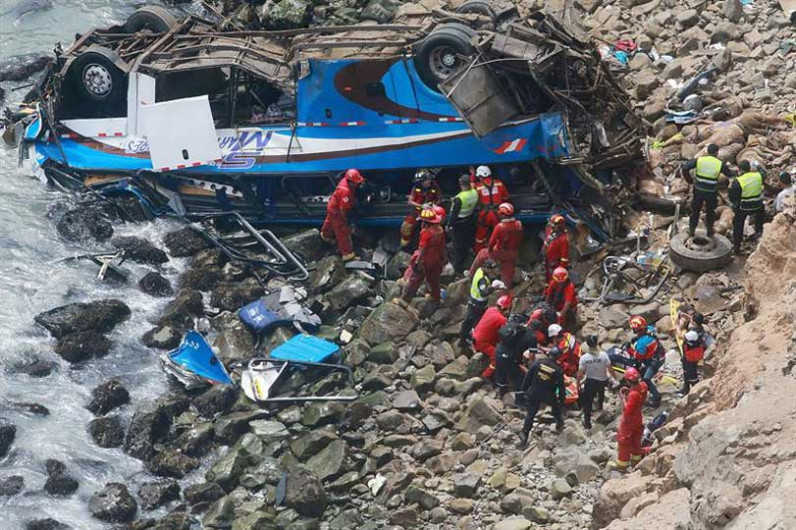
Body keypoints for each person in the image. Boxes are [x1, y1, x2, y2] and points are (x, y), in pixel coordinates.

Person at [681, 144, 735, 237]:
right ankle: (709, 231)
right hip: (711, 192)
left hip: (698, 190)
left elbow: (685, 168)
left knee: (695, 211)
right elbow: (729, 175)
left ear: (707, 152)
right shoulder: (720, 163)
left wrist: (689, 180)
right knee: (710, 211)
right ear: (716, 152)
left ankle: (691, 230)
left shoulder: (699, 160)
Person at [517, 347, 566, 448]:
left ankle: (524, 434)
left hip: (534, 392)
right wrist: (562, 400)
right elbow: (561, 387)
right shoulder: (558, 370)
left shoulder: (538, 363)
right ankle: (559, 423)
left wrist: (523, 390)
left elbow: (528, 377)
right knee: (555, 408)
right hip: (548, 394)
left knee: (530, 414)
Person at [399, 208, 448, 304]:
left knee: (414, 281)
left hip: (425, 262)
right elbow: (442, 246)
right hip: (436, 260)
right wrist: (443, 258)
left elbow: (422, 249)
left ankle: (404, 301)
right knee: (434, 280)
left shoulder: (426, 233)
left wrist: (417, 262)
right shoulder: (439, 230)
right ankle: (436, 297)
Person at [470, 202, 523, 287]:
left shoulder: (500, 227)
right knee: (507, 272)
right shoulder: (519, 225)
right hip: (513, 252)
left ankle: (471, 275)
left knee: (482, 254)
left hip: (500, 251)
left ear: (502, 214)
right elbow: (520, 239)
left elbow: (491, 243)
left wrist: (490, 252)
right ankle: (505, 289)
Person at [458, 259, 504, 347]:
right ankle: (473, 342)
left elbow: (489, 277)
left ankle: (465, 338)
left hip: (474, 301)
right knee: (477, 323)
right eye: (491, 269)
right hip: (477, 304)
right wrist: (494, 287)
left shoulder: (480, 270)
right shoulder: (482, 280)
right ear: (486, 268)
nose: (493, 271)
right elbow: (484, 292)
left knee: (469, 320)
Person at [321, 169, 365, 261]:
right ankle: (347, 254)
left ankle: (326, 235)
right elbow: (343, 209)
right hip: (337, 211)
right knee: (342, 232)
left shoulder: (344, 181)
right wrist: (346, 220)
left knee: (330, 222)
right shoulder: (346, 191)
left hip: (332, 206)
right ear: (351, 182)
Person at [578, 335, 616, 430]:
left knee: (588, 402)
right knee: (601, 394)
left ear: (587, 344)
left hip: (590, 382)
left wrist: (578, 383)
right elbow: (610, 368)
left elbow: (580, 373)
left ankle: (588, 423)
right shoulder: (603, 355)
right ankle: (600, 409)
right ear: (596, 343)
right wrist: (615, 378)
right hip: (602, 380)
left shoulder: (584, 358)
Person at [495, 313, 538, 397]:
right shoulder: (532, 337)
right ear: (537, 330)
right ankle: (519, 401)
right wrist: (531, 368)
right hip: (510, 358)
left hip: (499, 352)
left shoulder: (514, 328)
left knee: (501, 374)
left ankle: (501, 393)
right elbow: (531, 356)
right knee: (519, 378)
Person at [614, 367, 648, 471]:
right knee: (636, 439)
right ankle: (635, 459)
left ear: (628, 380)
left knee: (624, 440)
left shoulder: (633, 395)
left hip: (629, 421)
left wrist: (623, 398)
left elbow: (627, 410)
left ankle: (622, 464)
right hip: (638, 417)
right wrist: (629, 391)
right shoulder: (643, 386)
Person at [472, 294, 512, 379]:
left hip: (475, 336)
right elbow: (504, 335)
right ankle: (485, 376)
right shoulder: (502, 319)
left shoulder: (490, 309)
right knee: (497, 357)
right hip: (482, 342)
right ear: (505, 308)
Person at [729, 160, 765, 254]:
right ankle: (759, 231)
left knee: (738, 224)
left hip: (744, 207)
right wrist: (757, 164)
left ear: (740, 170)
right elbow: (763, 171)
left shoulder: (738, 181)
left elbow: (733, 198)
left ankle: (736, 247)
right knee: (761, 213)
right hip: (757, 205)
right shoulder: (758, 176)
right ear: (749, 169)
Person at [627, 316, 664, 408]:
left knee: (646, 379)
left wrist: (630, 349)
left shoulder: (641, 343)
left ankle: (656, 397)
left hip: (654, 361)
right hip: (660, 354)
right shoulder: (650, 330)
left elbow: (639, 356)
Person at [400, 169, 442, 248]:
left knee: (435, 229)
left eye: (429, 179)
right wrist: (421, 206)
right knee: (406, 226)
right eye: (426, 181)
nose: (428, 182)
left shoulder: (435, 186)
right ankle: (406, 243)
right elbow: (410, 201)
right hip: (418, 211)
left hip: (431, 212)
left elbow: (439, 199)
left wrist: (433, 206)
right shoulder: (416, 188)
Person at [473, 165, 510, 253]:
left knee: (480, 236)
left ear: (480, 176)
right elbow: (506, 197)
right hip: (498, 213)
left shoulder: (477, 187)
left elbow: (475, 201)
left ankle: (479, 253)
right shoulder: (499, 183)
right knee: (500, 234)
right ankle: (500, 251)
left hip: (484, 215)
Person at [448, 174, 478, 272]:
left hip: (458, 224)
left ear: (460, 184)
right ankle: (466, 259)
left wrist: (448, 225)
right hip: (469, 221)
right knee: (466, 242)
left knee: (458, 245)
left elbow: (453, 214)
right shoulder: (474, 192)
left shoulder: (459, 198)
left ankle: (457, 266)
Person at [544, 266, 578, 331]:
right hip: (557, 303)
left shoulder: (570, 286)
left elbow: (567, 304)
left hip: (569, 307)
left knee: (566, 319)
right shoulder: (553, 283)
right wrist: (546, 306)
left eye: (562, 282)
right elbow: (549, 295)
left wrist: (560, 313)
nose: (560, 284)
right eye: (559, 283)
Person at [542, 214, 570, 282]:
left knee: (554, 280)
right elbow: (546, 242)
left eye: (553, 226)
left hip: (555, 264)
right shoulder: (550, 231)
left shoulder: (563, 239)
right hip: (547, 260)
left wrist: (561, 269)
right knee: (546, 277)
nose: (551, 227)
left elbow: (564, 257)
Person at [678, 330, 705, 397]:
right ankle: (685, 389)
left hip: (690, 360)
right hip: (687, 359)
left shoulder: (690, 344)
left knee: (692, 377)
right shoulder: (695, 342)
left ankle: (698, 391)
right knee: (686, 373)